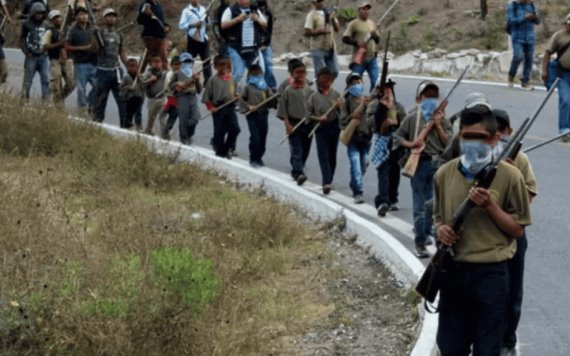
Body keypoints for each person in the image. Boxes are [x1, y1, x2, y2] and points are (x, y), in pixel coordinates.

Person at [434, 106, 531, 356]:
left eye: (479, 137)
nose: (471, 143)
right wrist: (441, 230)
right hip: (453, 272)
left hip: (491, 276)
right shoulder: (444, 174)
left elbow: (517, 229)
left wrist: (490, 206)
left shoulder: (511, 176)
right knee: (451, 349)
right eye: (467, 137)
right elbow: (437, 218)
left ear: (495, 138)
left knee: (488, 350)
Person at [490, 109, 537, 356]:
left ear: (510, 132)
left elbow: (527, 199)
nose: (500, 136)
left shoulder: (521, 160)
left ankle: (508, 339)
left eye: (503, 131)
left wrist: (511, 176)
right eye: (494, 132)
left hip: (513, 233)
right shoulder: (480, 155)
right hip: (486, 234)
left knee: (513, 292)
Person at [394, 81, 452, 258]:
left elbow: (449, 143)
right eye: (427, 96)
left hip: (438, 165)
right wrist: (411, 143)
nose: (431, 99)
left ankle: (431, 236)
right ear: (420, 98)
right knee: (420, 206)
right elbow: (397, 137)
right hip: (419, 164)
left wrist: (438, 125)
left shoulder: (443, 119)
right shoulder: (413, 118)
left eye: (434, 96)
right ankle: (420, 242)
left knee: (435, 206)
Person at [368, 79, 406, 216]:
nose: (388, 91)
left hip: (396, 141)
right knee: (383, 171)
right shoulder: (373, 105)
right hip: (382, 141)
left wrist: (395, 122)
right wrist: (381, 108)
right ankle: (383, 201)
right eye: (385, 88)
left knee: (395, 171)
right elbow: (372, 124)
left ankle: (393, 198)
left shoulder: (398, 106)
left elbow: (405, 124)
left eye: (390, 88)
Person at [277, 60, 314, 185]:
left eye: (303, 72)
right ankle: (297, 173)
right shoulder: (287, 90)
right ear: (292, 74)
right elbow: (283, 111)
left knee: (305, 150)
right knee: (297, 150)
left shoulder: (309, 90)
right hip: (294, 124)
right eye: (297, 72)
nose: (300, 75)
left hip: (308, 124)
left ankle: (299, 167)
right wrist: (287, 125)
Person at [307, 67, 342, 194]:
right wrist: (318, 118)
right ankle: (326, 181)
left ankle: (329, 179)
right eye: (323, 79)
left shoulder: (337, 95)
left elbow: (343, 115)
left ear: (332, 80)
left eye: (329, 79)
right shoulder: (314, 97)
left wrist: (339, 108)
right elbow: (308, 115)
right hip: (320, 128)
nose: (326, 81)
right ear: (319, 80)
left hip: (334, 127)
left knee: (332, 155)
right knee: (323, 155)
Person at [340, 72, 373, 203]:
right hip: (353, 138)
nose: (356, 85)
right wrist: (353, 116)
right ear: (348, 86)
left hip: (366, 139)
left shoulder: (369, 101)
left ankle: (354, 182)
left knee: (364, 164)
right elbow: (342, 122)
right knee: (355, 165)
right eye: (352, 83)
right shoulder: (346, 102)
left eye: (358, 82)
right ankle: (357, 192)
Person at [91, 8, 128, 124]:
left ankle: (125, 125)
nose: (111, 18)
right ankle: (97, 123)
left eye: (113, 16)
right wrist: (94, 35)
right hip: (103, 71)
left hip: (116, 71)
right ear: (104, 18)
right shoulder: (99, 33)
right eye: (108, 16)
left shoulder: (119, 34)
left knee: (122, 100)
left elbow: (121, 51)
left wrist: (128, 65)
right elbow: (94, 49)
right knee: (101, 101)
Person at [220, 0, 267, 84]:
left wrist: (257, 19)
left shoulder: (254, 9)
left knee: (256, 72)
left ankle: (250, 92)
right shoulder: (231, 10)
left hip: (252, 47)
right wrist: (237, 19)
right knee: (238, 73)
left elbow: (265, 24)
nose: (245, 1)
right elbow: (223, 25)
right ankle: (228, 91)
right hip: (235, 47)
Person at [203, 54, 240, 157]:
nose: (224, 68)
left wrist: (237, 97)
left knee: (235, 129)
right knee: (220, 132)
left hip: (230, 107)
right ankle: (220, 151)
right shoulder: (212, 81)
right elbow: (206, 98)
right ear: (215, 67)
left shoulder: (232, 80)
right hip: (218, 109)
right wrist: (211, 108)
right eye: (221, 65)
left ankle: (227, 147)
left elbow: (234, 94)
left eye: (227, 66)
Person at [541, 13, 570, 142]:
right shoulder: (559, 36)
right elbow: (548, 52)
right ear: (565, 24)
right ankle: (564, 130)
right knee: (565, 101)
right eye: (568, 24)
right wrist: (544, 71)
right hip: (563, 74)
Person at [239, 63, 274, 167]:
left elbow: (271, 100)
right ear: (249, 74)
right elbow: (241, 100)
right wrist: (248, 106)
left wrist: (273, 99)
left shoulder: (265, 87)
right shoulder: (248, 87)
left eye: (258, 73)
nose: (256, 75)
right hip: (252, 115)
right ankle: (253, 158)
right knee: (255, 137)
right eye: (253, 73)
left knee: (263, 137)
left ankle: (259, 157)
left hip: (263, 114)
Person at [342, 1, 380, 92]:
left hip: (371, 58)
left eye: (367, 9)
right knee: (355, 84)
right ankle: (352, 102)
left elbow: (377, 41)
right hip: (359, 59)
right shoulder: (353, 24)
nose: (366, 11)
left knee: (376, 83)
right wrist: (357, 43)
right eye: (364, 9)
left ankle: (372, 103)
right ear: (359, 10)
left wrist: (375, 35)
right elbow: (345, 38)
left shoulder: (372, 23)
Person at [65, 6, 97, 111]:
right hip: (80, 64)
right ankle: (82, 110)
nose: (84, 17)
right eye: (81, 14)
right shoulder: (72, 30)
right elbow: (67, 46)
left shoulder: (92, 28)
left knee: (98, 87)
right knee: (81, 89)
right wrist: (82, 48)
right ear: (76, 16)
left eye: (85, 14)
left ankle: (90, 103)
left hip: (93, 63)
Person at [43, 10, 75, 105]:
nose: (58, 20)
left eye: (59, 17)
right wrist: (58, 44)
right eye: (55, 18)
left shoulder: (67, 30)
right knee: (56, 84)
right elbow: (45, 46)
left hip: (67, 59)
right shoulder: (49, 31)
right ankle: (57, 106)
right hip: (55, 60)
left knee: (71, 83)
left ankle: (60, 99)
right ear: (51, 20)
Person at [506, 0, 540, 90]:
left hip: (530, 37)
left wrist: (534, 17)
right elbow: (512, 21)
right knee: (518, 56)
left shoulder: (532, 5)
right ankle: (511, 75)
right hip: (517, 36)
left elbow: (538, 21)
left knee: (529, 59)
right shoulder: (513, 6)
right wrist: (524, 17)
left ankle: (526, 81)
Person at [170, 52, 202, 145]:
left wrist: (196, 80)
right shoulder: (177, 73)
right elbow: (170, 86)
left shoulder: (194, 73)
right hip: (182, 97)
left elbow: (199, 89)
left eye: (189, 61)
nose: (187, 63)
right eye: (185, 61)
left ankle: (189, 134)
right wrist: (177, 84)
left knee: (195, 118)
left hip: (192, 97)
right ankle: (184, 137)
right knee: (183, 117)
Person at [19, 2, 49, 100]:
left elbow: (48, 38)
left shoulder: (46, 24)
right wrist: (26, 51)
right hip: (31, 56)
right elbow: (22, 39)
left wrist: (47, 50)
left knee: (45, 79)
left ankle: (46, 101)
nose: (39, 15)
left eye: (41, 13)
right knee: (28, 80)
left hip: (43, 56)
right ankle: (24, 99)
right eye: (37, 13)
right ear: (33, 13)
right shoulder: (26, 24)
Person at [304, 0, 340, 80]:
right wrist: (320, 31)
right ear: (314, 3)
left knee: (334, 71)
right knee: (321, 74)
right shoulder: (312, 15)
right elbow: (307, 32)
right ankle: (321, 90)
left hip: (331, 48)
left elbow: (337, 29)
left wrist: (333, 18)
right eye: (318, 1)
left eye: (321, 1)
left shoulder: (329, 13)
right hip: (318, 48)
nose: (320, 3)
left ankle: (326, 88)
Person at [179, 0, 212, 83]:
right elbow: (181, 25)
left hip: (203, 38)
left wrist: (207, 18)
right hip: (192, 39)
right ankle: (186, 80)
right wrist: (193, 25)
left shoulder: (203, 9)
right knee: (189, 61)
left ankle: (207, 82)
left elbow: (208, 25)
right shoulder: (186, 11)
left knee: (206, 60)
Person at [137, 0, 170, 71]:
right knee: (146, 59)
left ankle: (164, 77)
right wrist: (145, 14)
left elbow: (161, 21)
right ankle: (138, 77)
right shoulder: (146, 4)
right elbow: (139, 20)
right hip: (150, 36)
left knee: (163, 58)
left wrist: (167, 27)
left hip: (161, 36)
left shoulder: (158, 5)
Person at [142, 55, 166, 135]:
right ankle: (148, 131)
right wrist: (150, 80)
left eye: (158, 62)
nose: (157, 64)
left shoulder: (164, 73)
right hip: (152, 98)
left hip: (162, 98)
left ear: (161, 63)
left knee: (163, 117)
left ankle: (164, 134)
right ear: (151, 64)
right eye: (154, 62)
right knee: (151, 117)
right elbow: (142, 84)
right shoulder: (148, 74)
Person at [159, 55, 181, 140]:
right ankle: (164, 132)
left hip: (177, 99)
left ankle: (166, 130)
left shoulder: (182, 74)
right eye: (175, 65)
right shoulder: (169, 74)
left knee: (173, 115)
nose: (177, 67)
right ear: (171, 65)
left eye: (179, 65)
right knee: (162, 115)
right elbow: (170, 86)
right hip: (168, 97)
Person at [256, 0, 277, 91]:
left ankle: (272, 86)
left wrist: (266, 42)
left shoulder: (268, 13)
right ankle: (258, 86)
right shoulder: (254, 12)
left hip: (265, 43)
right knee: (258, 67)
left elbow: (269, 30)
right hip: (256, 44)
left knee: (268, 65)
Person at [119, 58, 144, 129]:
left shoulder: (139, 76)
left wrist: (139, 78)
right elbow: (121, 87)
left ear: (137, 67)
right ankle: (127, 125)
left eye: (134, 66)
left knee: (138, 112)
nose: (132, 68)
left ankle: (138, 126)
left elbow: (144, 86)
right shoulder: (126, 77)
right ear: (127, 67)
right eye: (130, 66)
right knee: (129, 113)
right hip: (129, 98)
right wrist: (128, 87)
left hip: (138, 98)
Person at [0, 0, 13, 85]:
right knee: (4, 72)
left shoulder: (1, 17)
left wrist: (8, 17)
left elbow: (3, 4)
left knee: (4, 73)